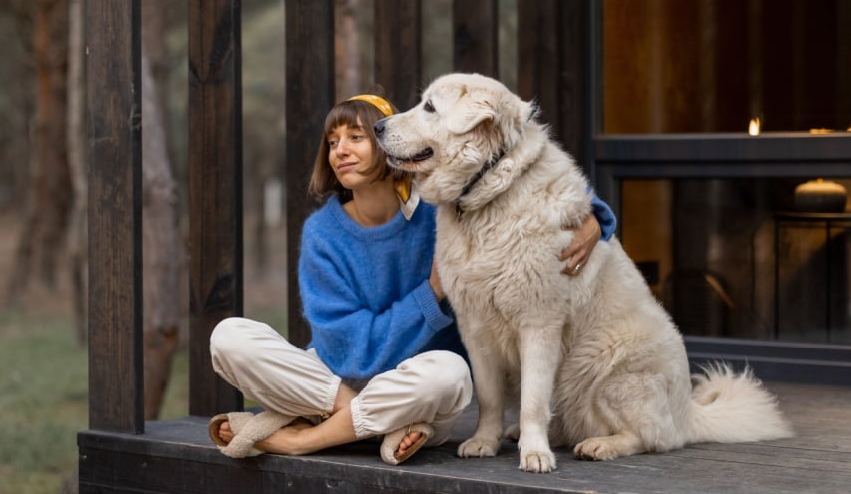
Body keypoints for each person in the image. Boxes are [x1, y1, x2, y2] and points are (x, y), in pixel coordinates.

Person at [208, 93, 617, 464]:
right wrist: (432, 292)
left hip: (416, 387)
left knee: (450, 374)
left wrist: (596, 215)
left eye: (356, 136)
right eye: (332, 142)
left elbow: (522, 185)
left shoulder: (441, 211)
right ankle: (366, 425)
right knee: (228, 337)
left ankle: (303, 438)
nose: (340, 151)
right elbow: (347, 353)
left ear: (391, 141)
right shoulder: (321, 234)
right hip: (340, 381)